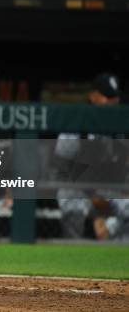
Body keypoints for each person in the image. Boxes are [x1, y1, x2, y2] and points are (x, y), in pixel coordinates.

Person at [55, 73, 129, 241]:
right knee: (73, 206)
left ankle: (117, 256)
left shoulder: (122, 124)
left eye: (115, 98)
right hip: (79, 189)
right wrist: (94, 196)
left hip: (111, 190)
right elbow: (63, 165)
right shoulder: (76, 123)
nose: (112, 102)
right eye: (107, 97)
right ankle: (72, 254)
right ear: (93, 96)